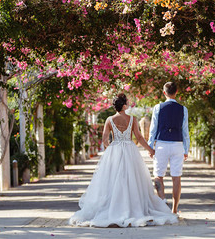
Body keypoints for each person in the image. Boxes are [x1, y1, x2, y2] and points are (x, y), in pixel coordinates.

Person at [69, 93, 178, 227]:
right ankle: (132, 208)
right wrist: (151, 150)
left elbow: (104, 140)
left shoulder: (109, 120)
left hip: (114, 150)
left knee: (113, 180)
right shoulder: (132, 119)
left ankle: (114, 208)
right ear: (124, 105)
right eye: (127, 101)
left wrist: (111, 150)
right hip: (130, 150)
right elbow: (139, 137)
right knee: (132, 179)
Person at [148, 82, 190, 214]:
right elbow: (185, 131)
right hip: (177, 144)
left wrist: (150, 146)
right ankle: (175, 209)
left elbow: (153, 129)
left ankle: (162, 202)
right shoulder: (183, 109)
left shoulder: (158, 107)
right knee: (176, 177)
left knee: (158, 175)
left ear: (164, 92)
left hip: (161, 144)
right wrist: (186, 149)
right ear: (176, 92)